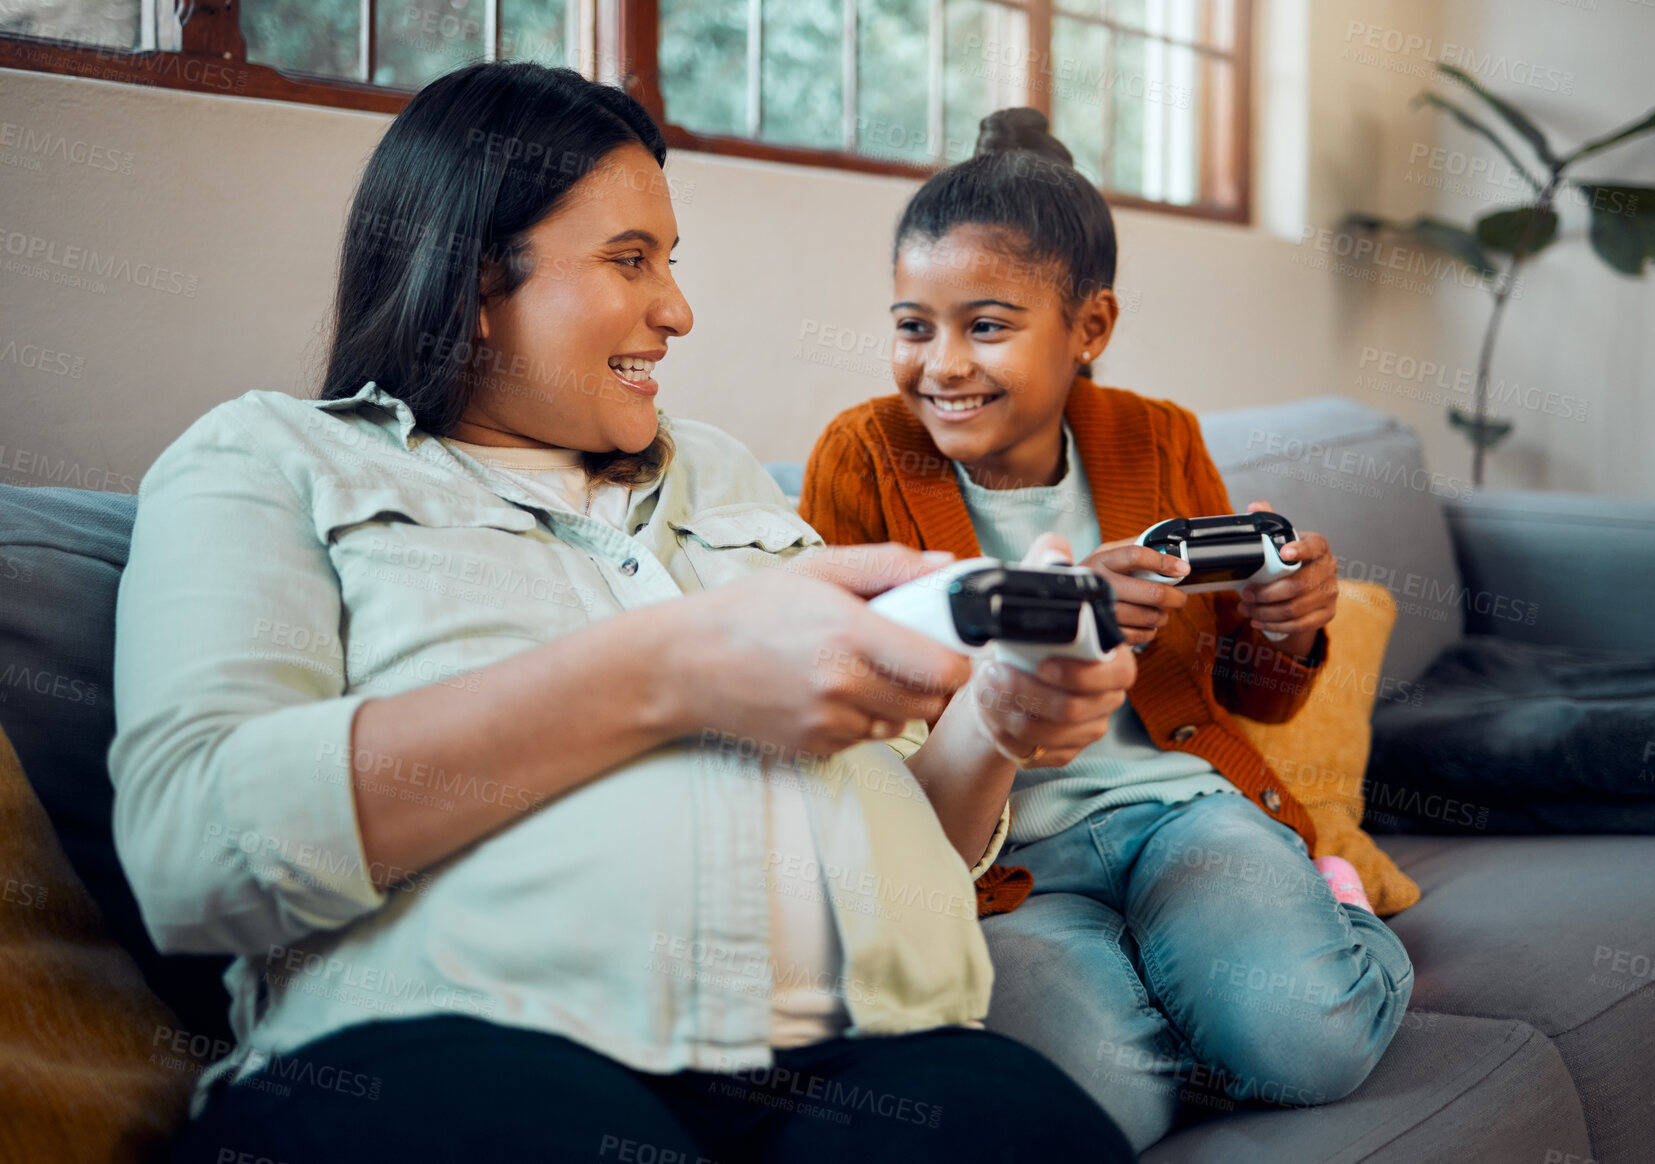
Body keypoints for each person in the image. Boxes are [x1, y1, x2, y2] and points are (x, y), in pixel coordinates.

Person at [109, 65, 1136, 1163]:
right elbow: (189, 848)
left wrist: (995, 720)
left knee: (1022, 1127)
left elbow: (908, 828)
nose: (678, 312)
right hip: (460, 1053)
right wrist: (663, 672)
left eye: (671, 263)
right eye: (630, 260)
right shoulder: (274, 458)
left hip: (862, 1061)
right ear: (471, 282)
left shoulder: (724, 477)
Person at [797, 107, 1414, 1153]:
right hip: (1004, 861)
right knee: (1092, 1111)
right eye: (914, 325)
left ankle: (1330, 916)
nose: (942, 365)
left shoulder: (1158, 438)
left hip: (1183, 812)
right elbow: (845, 712)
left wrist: (1284, 626)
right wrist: (1056, 614)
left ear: (1090, 327)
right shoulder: (861, 459)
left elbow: (1246, 694)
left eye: (986, 326)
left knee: (1308, 1043)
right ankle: (1189, 983)